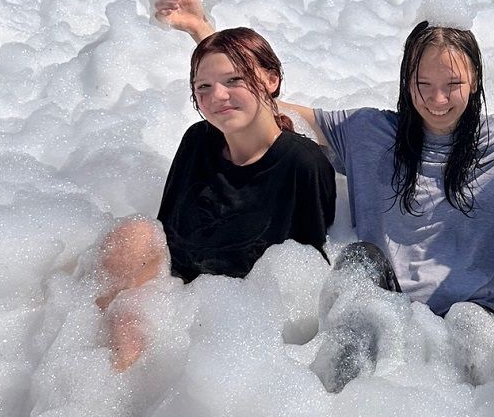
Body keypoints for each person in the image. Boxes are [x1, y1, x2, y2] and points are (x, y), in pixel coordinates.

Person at [152, 0, 494, 325]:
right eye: (422, 83)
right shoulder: (369, 133)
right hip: (383, 316)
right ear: (405, 80)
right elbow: (262, 103)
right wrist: (204, 33)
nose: (437, 98)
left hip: (480, 319)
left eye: (453, 84)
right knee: (359, 267)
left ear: (474, 82)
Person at [96, 26, 336, 370]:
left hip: (239, 328)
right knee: (132, 236)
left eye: (234, 80)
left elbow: (308, 270)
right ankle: (102, 373)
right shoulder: (197, 141)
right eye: (203, 87)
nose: (217, 96)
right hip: (174, 305)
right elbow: (166, 236)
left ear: (271, 80)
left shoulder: (302, 163)